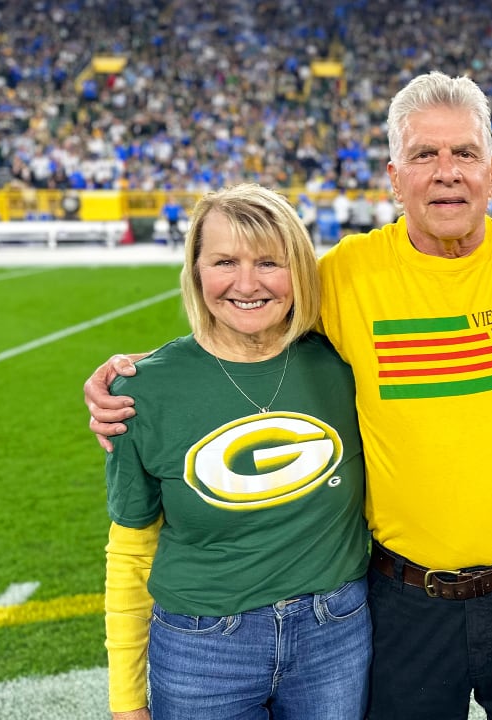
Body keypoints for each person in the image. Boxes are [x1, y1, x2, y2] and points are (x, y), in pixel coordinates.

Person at [86, 72, 492, 720]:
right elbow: (250, 312)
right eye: (424, 155)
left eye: (465, 153)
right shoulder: (343, 278)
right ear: (394, 176)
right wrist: (144, 371)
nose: (447, 172)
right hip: (406, 599)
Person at [103, 184, 370, 720]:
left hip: (336, 635)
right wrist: (126, 702)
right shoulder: (140, 391)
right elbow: (131, 552)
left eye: (270, 262)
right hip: (202, 648)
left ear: (299, 270)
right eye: (224, 261)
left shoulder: (347, 364)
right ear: (196, 270)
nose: (246, 284)